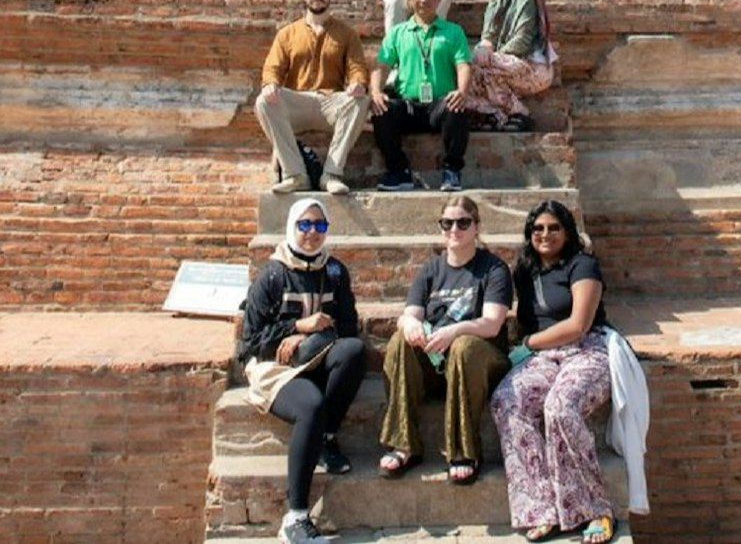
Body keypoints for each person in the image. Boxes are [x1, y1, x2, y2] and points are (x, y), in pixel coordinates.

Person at [236, 197, 366, 544]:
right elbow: (249, 343)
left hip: (316, 357)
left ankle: (324, 438)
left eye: (319, 226)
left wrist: (315, 333)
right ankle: (295, 516)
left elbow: (350, 328)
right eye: (304, 225)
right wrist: (295, 328)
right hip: (273, 368)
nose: (312, 233)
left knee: (353, 351)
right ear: (292, 227)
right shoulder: (273, 275)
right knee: (311, 406)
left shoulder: (334, 271)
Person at [491, 200, 616, 544]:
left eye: (553, 228)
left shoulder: (583, 265)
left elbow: (578, 325)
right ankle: (540, 508)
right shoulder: (525, 273)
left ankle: (595, 509)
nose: (545, 235)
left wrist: (529, 342)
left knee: (559, 408)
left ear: (567, 231)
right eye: (538, 229)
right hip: (543, 357)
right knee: (507, 401)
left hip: (587, 349)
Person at [378, 193, 512, 487]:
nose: (455, 229)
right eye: (447, 223)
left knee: (464, 345)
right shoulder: (431, 269)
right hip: (437, 364)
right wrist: (412, 324)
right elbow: (408, 314)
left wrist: (455, 331)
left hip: (481, 364)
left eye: (463, 223)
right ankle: (404, 444)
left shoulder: (493, 269)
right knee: (401, 340)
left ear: (477, 227)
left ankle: (464, 451)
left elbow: (491, 324)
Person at [256, 0, 369, 195]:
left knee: (360, 101)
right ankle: (296, 175)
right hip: (296, 102)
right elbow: (272, 68)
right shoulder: (287, 33)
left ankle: (331, 174)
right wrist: (270, 83)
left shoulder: (346, 34)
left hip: (329, 104)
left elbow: (358, 67)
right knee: (263, 102)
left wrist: (358, 82)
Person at [370, 0, 473, 192]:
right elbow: (381, 66)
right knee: (382, 109)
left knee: (457, 107)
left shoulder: (454, 32)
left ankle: (452, 170)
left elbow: (464, 65)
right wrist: (376, 93)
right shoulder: (398, 33)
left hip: (439, 105)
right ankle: (398, 171)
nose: (424, 0)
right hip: (408, 105)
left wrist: (462, 91)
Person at [466, 0, 556, 130]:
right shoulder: (494, 3)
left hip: (532, 66)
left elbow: (522, 40)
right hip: (504, 66)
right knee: (464, 73)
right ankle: (496, 117)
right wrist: (484, 51)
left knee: (477, 68)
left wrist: (490, 57)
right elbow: (487, 39)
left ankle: (520, 114)